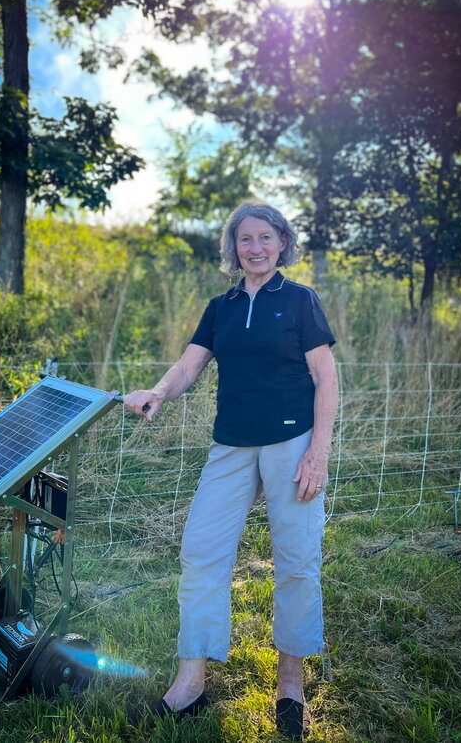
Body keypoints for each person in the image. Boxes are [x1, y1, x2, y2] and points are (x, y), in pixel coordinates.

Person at [124, 201, 338, 738]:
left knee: (295, 560)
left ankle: (291, 687)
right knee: (201, 555)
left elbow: (326, 378)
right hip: (231, 447)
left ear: (282, 243)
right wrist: (159, 391)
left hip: (293, 445)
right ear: (234, 247)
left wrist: (319, 453)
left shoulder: (300, 301)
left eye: (265, 237)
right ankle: (190, 684)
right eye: (245, 239)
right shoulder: (219, 307)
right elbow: (190, 364)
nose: (256, 247)